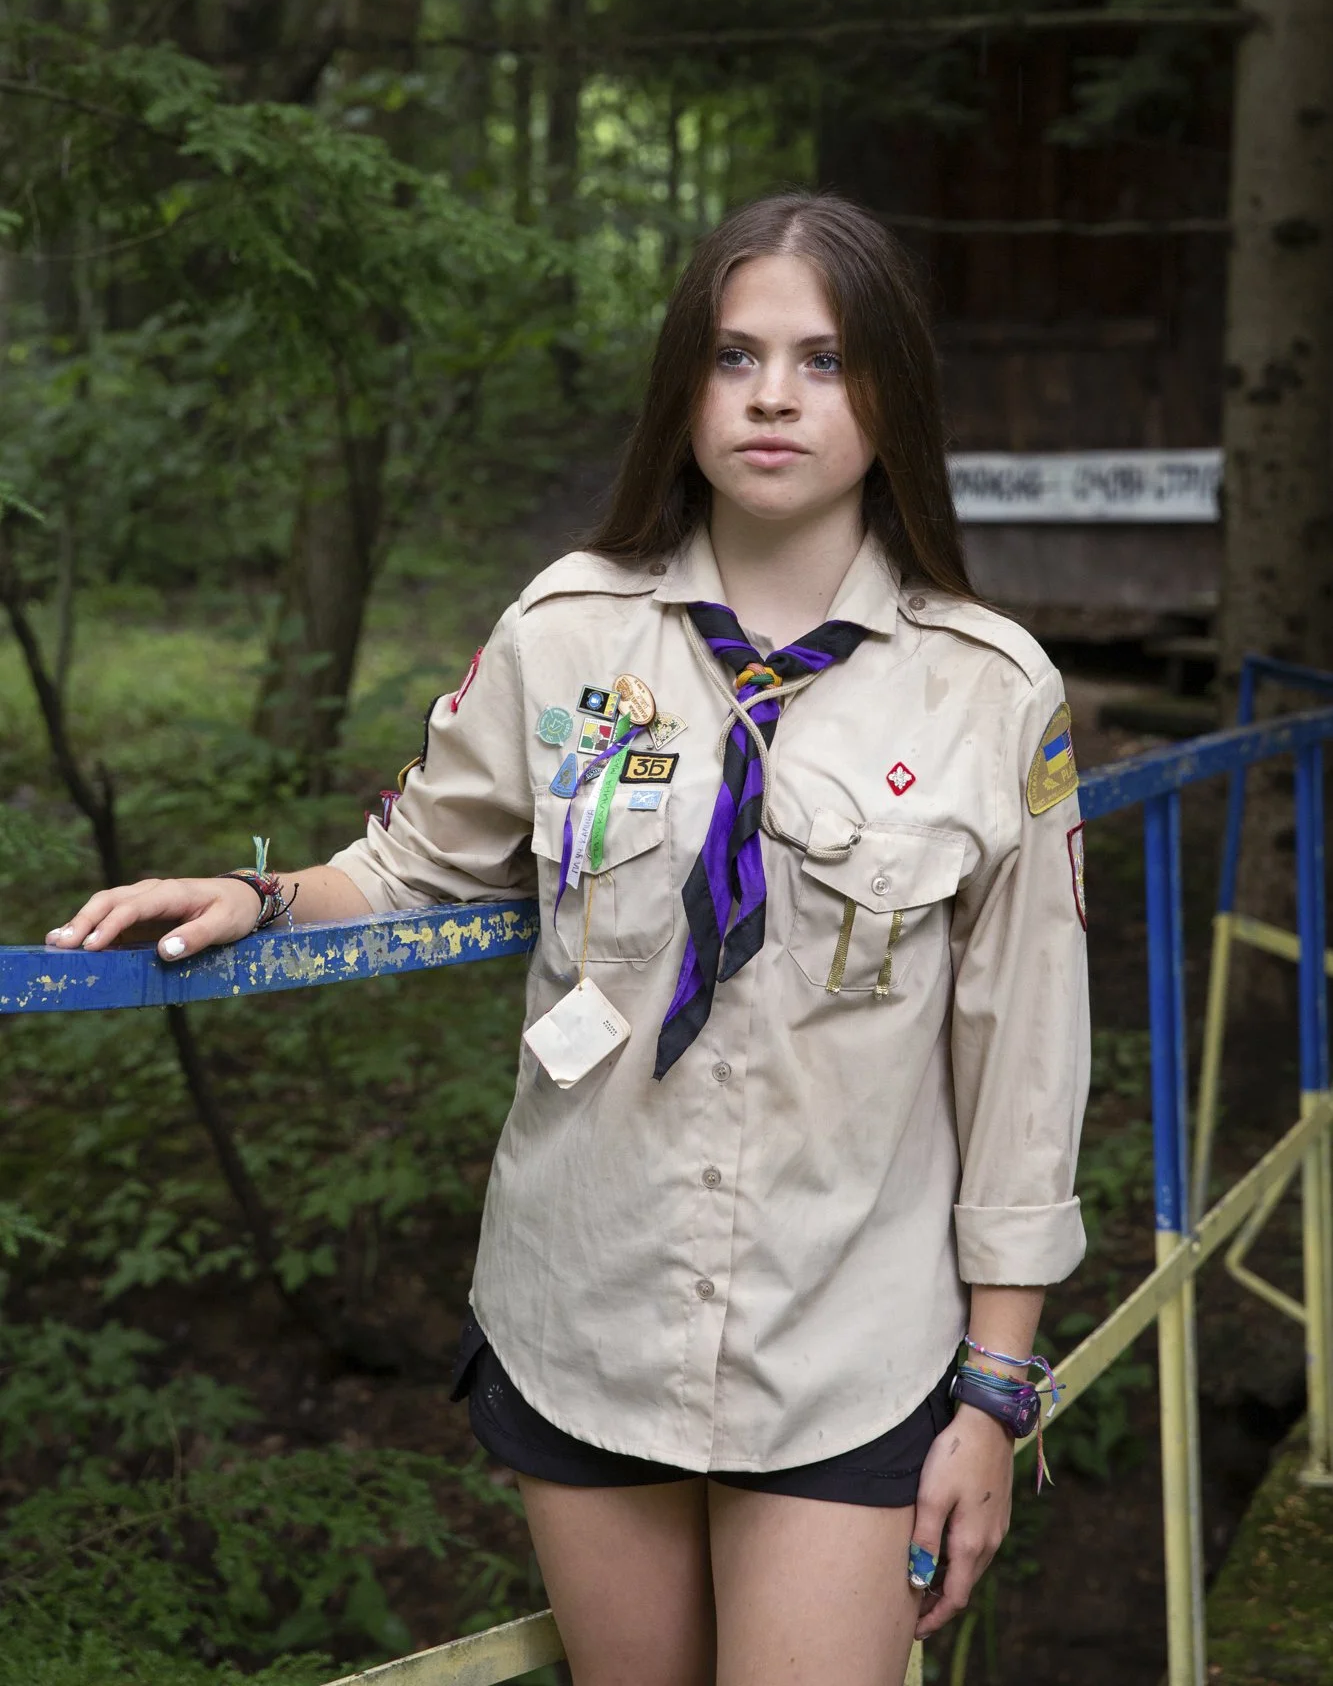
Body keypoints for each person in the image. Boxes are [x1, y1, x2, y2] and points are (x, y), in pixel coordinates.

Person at [47, 192, 1090, 1686]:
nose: (775, 396)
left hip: (850, 1347)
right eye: (735, 356)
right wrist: (262, 899)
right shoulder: (568, 632)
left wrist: (993, 1392)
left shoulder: (990, 693)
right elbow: (416, 864)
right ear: (684, 385)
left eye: (824, 358)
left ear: (892, 395)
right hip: (587, 1314)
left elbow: (1028, 1058)